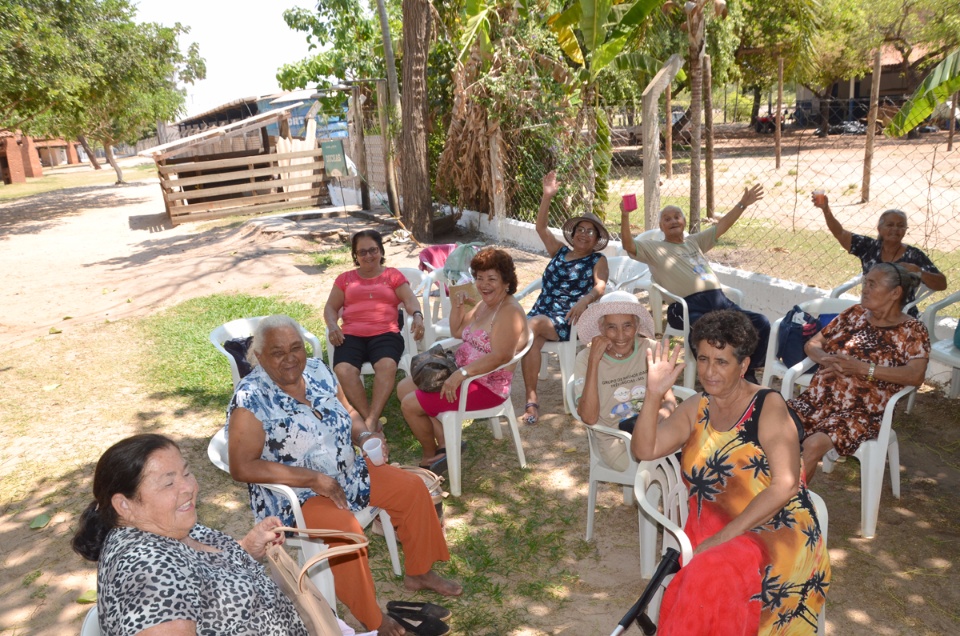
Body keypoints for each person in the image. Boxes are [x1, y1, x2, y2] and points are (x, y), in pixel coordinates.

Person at [227, 315, 461, 636]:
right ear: (259, 356)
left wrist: (365, 437)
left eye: (296, 348)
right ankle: (372, 620)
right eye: (278, 352)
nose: (290, 358)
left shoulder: (318, 370)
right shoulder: (251, 398)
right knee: (348, 533)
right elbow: (242, 466)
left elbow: (348, 412)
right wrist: (312, 479)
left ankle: (418, 572)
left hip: (349, 472)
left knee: (411, 488)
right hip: (298, 496)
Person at [631, 311, 830, 635]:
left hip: (776, 528)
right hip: (712, 526)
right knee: (707, 579)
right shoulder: (697, 406)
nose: (709, 371)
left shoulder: (767, 406)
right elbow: (644, 449)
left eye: (721, 362)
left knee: (707, 576)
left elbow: (785, 485)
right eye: (705, 359)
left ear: (744, 365)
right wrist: (653, 394)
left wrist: (722, 538)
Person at [72, 434, 308, 635]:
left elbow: (202, 571)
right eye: (168, 484)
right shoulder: (149, 572)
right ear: (124, 505)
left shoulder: (166, 523)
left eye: (186, 473)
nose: (188, 487)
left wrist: (246, 547)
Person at [789, 263, 930, 483]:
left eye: (873, 284)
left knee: (813, 444)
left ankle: (787, 507)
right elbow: (813, 343)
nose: (865, 289)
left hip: (862, 414)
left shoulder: (913, 330)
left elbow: (915, 375)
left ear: (895, 293)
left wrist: (862, 368)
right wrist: (828, 360)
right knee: (771, 422)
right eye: (866, 283)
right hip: (816, 401)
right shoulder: (854, 314)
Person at [621, 186, 769, 383]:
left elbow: (722, 226)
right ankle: (713, 378)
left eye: (677, 217)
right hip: (687, 307)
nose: (673, 221)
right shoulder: (655, 248)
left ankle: (745, 370)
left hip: (720, 302)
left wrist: (742, 204)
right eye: (667, 219)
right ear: (661, 227)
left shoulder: (693, 242)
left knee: (761, 322)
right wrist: (624, 216)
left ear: (684, 222)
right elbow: (628, 245)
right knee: (709, 334)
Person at [398, 248, 529, 470]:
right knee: (403, 388)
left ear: (507, 282)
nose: (484, 284)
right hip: (462, 372)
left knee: (410, 404)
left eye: (491, 278)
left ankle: (431, 456)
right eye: (479, 278)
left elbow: (501, 356)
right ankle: (447, 444)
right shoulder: (485, 304)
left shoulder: (509, 312)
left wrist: (461, 374)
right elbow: (458, 331)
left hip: (485, 385)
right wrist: (458, 306)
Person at [521, 170, 609, 424]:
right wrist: (547, 196)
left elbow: (600, 286)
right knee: (531, 341)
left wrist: (585, 299)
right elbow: (540, 227)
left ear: (597, 239)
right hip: (541, 313)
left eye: (589, 232)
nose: (583, 234)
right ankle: (531, 400)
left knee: (530, 327)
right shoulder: (559, 252)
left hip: (567, 318)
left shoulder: (597, 260)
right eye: (580, 229)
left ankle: (497, 359)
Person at [324, 229, 425, 432]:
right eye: (362, 252)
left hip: (385, 333)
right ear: (355, 256)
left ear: (380, 251)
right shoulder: (344, 279)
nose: (368, 256)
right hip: (352, 334)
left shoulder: (392, 276)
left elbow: (410, 300)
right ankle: (370, 417)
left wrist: (417, 316)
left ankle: (370, 420)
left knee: (386, 365)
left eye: (373, 250)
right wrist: (333, 325)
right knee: (343, 369)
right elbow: (330, 308)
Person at [572, 290, 674, 470]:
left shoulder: (650, 349)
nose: (620, 335)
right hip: (617, 440)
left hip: (656, 430)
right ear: (601, 328)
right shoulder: (585, 358)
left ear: (637, 326)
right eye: (611, 327)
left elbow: (670, 399)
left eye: (627, 326)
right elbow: (588, 417)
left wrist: (665, 412)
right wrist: (594, 361)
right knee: (668, 468)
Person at [814, 194, 947, 317]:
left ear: (905, 230)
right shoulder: (869, 247)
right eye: (890, 225)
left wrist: (919, 272)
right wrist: (826, 210)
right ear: (879, 229)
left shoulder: (914, 255)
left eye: (901, 226)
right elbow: (840, 233)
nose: (895, 229)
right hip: (870, 311)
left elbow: (942, 284)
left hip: (901, 314)